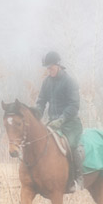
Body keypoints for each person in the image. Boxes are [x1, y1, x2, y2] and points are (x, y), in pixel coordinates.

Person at [36, 51, 83, 192]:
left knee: (72, 145)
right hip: (52, 123)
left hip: (70, 123)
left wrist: (62, 119)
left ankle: (78, 179)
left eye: (51, 68)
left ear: (58, 65)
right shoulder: (46, 82)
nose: (49, 71)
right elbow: (41, 102)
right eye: (47, 69)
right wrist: (36, 113)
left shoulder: (70, 82)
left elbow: (74, 105)